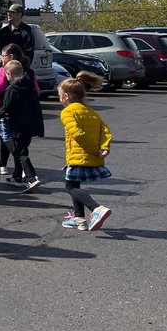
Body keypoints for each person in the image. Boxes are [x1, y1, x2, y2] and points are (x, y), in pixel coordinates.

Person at [58, 72, 113, 231]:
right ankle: (79, 218)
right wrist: (104, 147)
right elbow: (105, 131)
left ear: (67, 96)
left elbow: (77, 134)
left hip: (79, 156)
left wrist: (93, 149)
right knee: (75, 184)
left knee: (70, 187)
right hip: (91, 155)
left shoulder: (68, 112)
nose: (60, 98)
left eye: (60, 95)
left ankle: (96, 208)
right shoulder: (91, 112)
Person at [0, 59, 44, 192]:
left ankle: (31, 178)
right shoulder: (29, 86)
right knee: (21, 149)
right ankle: (17, 177)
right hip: (31, 124)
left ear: (9, 74)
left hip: (17, 125)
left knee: (20, 152)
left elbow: (5, 108)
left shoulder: (12, 89)